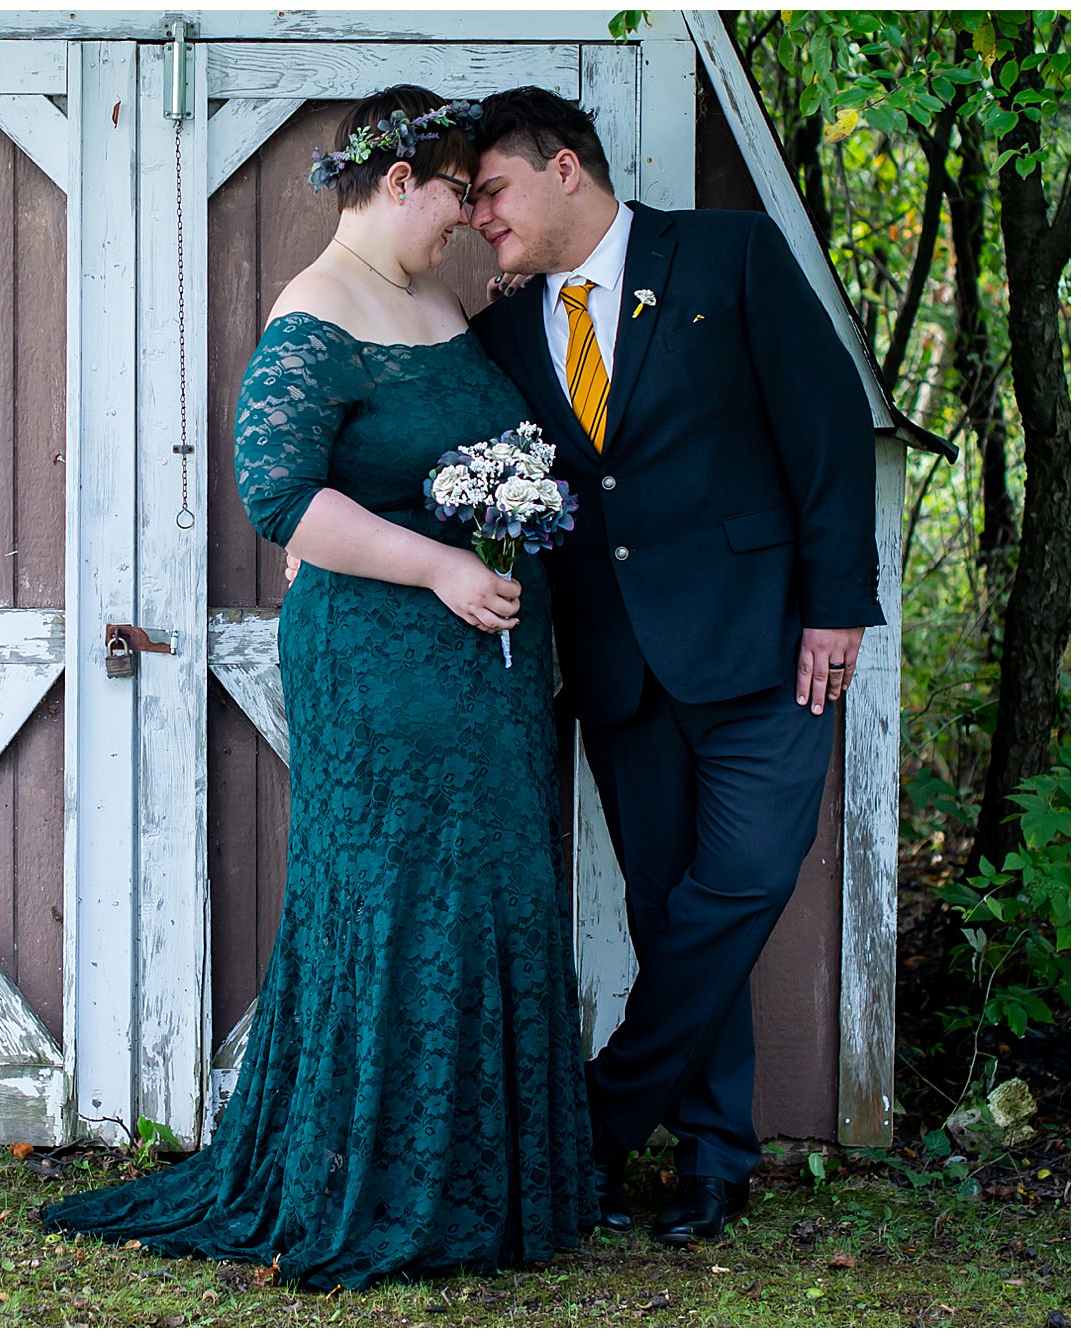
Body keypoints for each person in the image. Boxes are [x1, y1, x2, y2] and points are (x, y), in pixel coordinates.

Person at [38, 86, 597, 1291]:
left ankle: (485, 1188)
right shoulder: (313, 314)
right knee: (398, 898)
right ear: (396, 183)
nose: (467, 219)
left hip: (484, 665)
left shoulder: (436, 295)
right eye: (456, 193)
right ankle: (381, 1188)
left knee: (488, 890)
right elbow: (280, 498)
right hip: (381, 662)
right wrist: (441, 563)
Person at [464, 86, 884, 1245]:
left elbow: (826, 427)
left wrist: (835, 606)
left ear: (562, 168)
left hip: (766, 646)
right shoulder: (503, 326)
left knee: (739, 886)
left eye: (490, 191)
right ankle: (711, 1161)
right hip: (618, 669)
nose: (477, 219)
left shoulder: (727, 254)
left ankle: (597, 1123)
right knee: (669, 913)